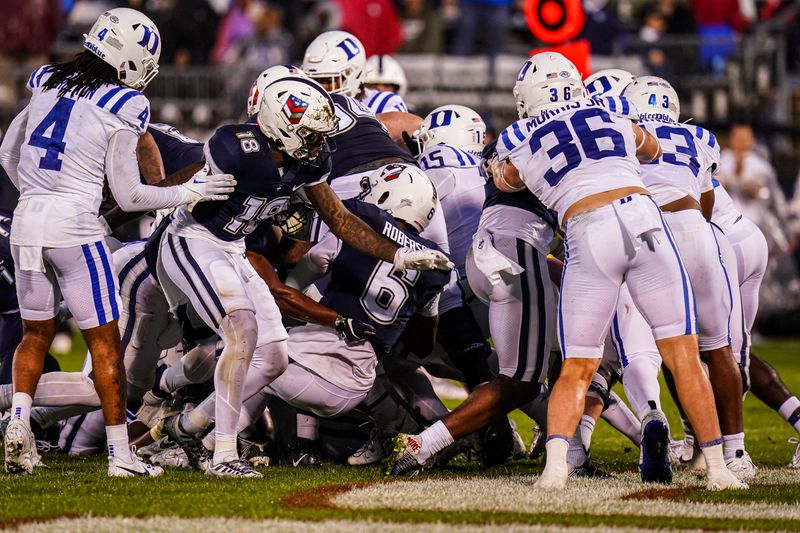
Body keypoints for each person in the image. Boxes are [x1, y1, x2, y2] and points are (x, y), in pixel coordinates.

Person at [159, 76, 451, 477]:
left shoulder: (309, 163)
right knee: (241, 331)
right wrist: (172, 193)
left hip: (234, 248)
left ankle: (187, 430)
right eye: (312, 135)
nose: (320, 145)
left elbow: (342, 221)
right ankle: (221, 452)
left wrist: (398, 253)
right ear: (282, 127)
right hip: (193, 239)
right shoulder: (235, 147)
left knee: (274, 354)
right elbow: (177, 187)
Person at [478, 52, 743, 491]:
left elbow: (506, 181)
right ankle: (717, 468)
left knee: (577, 366)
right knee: (684, 356)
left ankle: (556, 469)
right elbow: (652, 147)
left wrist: (506, 167)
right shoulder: (609, 112)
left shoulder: (520, 132)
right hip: (645, 224)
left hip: (589, 231)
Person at [0, 7, 236, 477]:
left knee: (35, 334)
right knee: (105, 343)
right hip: (74, 225)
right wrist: (189, 190)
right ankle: (119, 455)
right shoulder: (125, 103)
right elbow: (130, 194)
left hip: (28, 219)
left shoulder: (48, 80)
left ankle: (18, 426)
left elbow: (8, 151)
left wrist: (36, 194)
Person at [623, 77, 754, 481]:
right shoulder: (699, 135)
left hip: (646, 231)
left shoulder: (622, 131)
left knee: (648, 344)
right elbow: (707, 201)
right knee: (719, 347)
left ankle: (638, 422)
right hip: (695, 228)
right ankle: (735, 450)